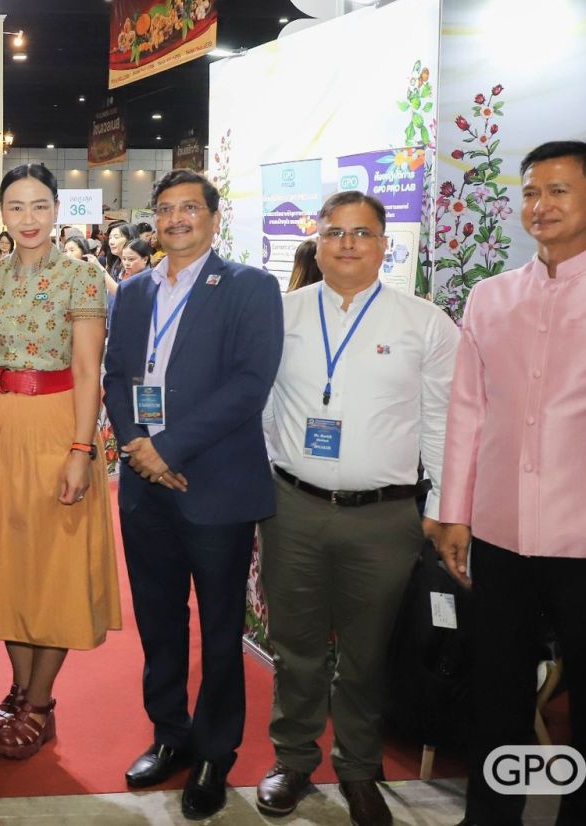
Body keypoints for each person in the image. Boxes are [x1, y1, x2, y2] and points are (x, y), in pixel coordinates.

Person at [257, 191, 458, 826]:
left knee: (368, 653)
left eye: (362, 232)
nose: (347, 244)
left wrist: (443, 505)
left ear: (384, 244)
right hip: (292, 509)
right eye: (335, 232)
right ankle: (293, 759)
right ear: (316, 242)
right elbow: (263, 408)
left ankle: (360, 768)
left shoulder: (424, 322)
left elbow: (441, 423)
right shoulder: (281, 314)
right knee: (295, 646)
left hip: (384, 517)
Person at [438, 140, 586, 826]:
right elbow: (467, 410)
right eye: (531, 192)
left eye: (559, 191)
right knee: (498, 694)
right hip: (500, 532)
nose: (540, 206)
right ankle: (492, 815)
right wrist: (454, 512)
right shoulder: (492, 295)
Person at [102, 169, 283, 818]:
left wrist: (169, 449)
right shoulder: (133, 291)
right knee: (159, 620)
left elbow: (250, 384)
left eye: (190, 208)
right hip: (144, 487)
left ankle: (213, 752)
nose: (176, 218)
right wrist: (137, 446)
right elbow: (116, 376)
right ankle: (169, 734)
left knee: (221, 627)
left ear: (213, 218)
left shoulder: (250, 287)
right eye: (165, 208)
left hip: (214, 485)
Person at [0, 164, 121, 761]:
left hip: (56, 426)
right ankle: (17, 688)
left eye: (38, 206)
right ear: (2, 213)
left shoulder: (82, 277)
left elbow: (87, 370)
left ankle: (41, 701)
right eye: (16, 207)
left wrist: (81, 450)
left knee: (53, 565)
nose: (27, 219)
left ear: (57, 210)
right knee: (7, 563)